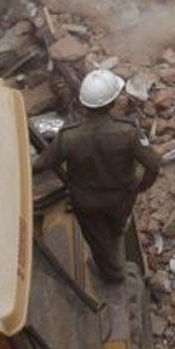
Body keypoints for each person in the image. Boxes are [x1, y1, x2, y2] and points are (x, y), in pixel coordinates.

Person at [34, 70, 162, 283]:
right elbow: (154, 164)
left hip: (87, 203)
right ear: (112, 103)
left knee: (98, 241)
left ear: (84, 104)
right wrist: (141, 186)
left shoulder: (69, 136)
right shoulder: (127, 132)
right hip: (121, 200)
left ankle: (113, 275)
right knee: (117, 227)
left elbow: (41, 165)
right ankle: (116, 255)